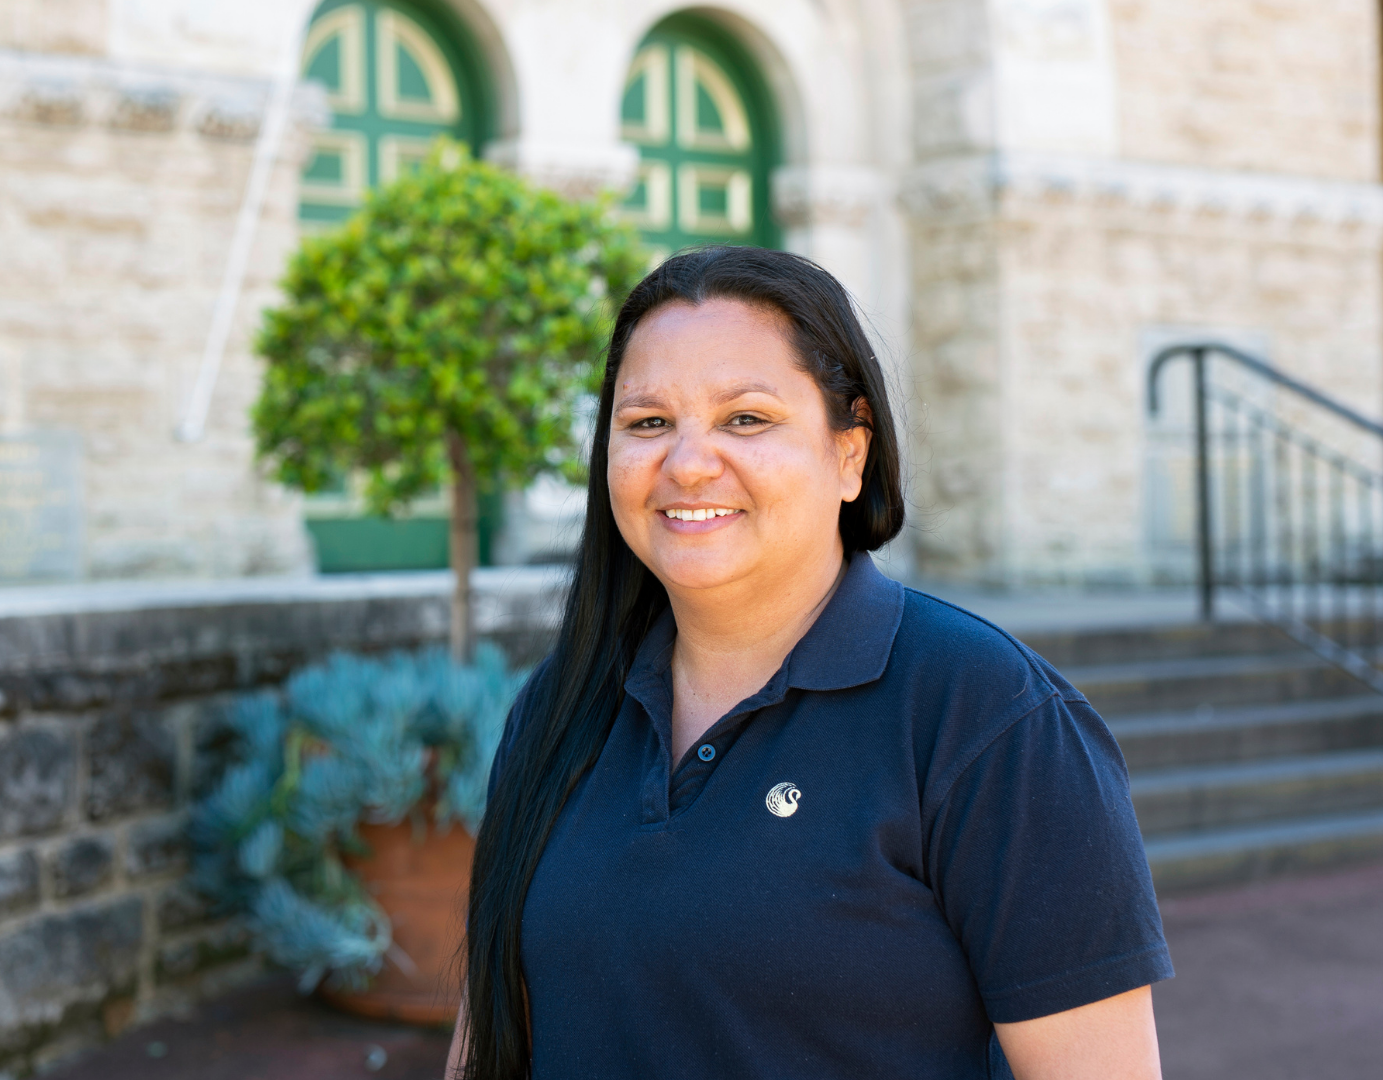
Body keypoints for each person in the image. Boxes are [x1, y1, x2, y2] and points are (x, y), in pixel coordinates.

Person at [446, 246, 1170, 1080]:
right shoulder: (559, 705)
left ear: (850, 452)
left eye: (745, 418)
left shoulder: (990, 718)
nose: (686, 463)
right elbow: (489, 1036)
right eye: (647, 423)